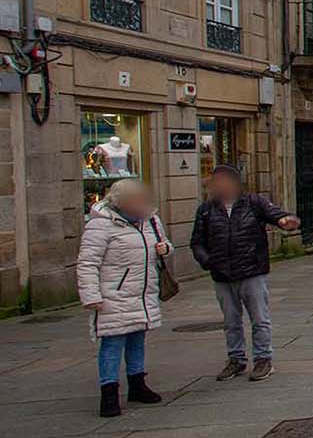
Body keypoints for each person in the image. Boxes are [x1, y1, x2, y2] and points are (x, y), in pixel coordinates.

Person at [191, 165, 299, 383]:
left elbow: (276, 215)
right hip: (222, 275)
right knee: (231, 320)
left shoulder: (253, 202)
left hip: (251, 271)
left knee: (259, 318)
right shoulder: (206, 209)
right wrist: (208, 262)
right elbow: (197, 242)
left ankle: (263, 359)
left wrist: (285, 221)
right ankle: (236, 359)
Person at [77, 179, 172, 418]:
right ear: (121, 202)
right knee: (112, 344)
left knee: (137, 338)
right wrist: (91, 296)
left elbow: (165, 245)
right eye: (137, 200)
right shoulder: (101, 225)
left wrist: (166, 249)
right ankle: (109, 393)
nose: (143, 203)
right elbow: (88, 262)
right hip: (113, 295)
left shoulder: (151, 220)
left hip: (141, 292)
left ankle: (137, 384)